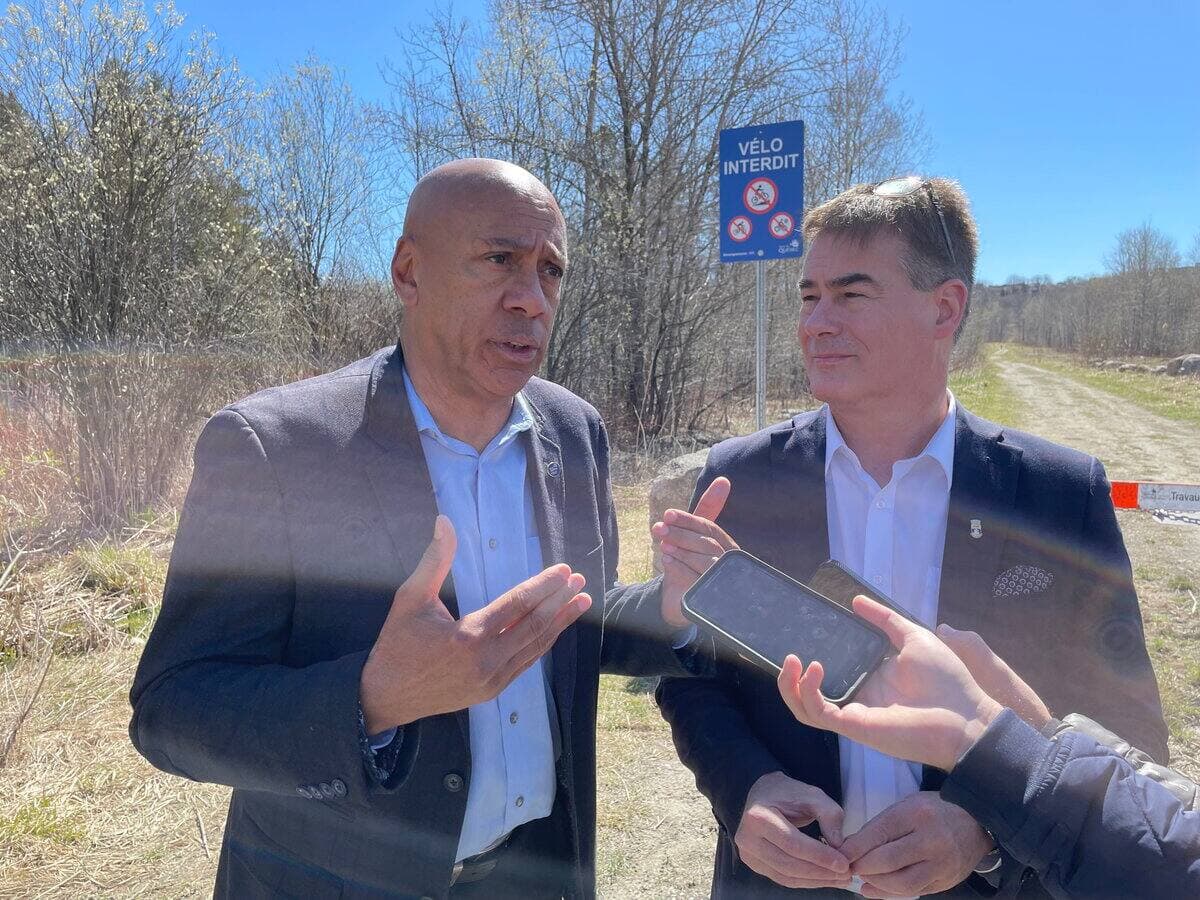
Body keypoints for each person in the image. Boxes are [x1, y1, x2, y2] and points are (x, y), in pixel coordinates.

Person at [128, 159, 714, 899]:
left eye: (551, 270)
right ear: (409, 272)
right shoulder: (278, 448)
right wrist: (373, 698)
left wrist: (671, 607)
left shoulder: (575, 431)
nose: (531, 299)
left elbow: (570, 625)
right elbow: (172, 709)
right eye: (499, 259)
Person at [654, 175, 1169, 898]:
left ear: (944, 308)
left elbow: (1125, 726)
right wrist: (747, 789)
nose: (816, 322)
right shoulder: (742, 482)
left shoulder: (1056, 495)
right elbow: (695, 677)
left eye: (851, 295)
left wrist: (985, 822)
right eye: (809, 296)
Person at [776, 595, 1200, 898]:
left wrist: (986, 817)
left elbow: (1132, 716)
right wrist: (1025, 733)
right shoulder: (754, 473)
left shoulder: (1067, 484)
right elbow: (1173, 842)